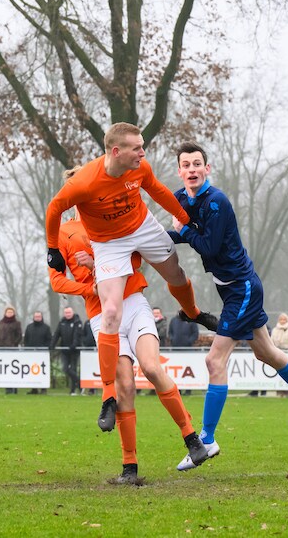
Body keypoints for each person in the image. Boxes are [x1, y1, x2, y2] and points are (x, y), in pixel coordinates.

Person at [168, 142, 288, 470]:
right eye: (186, 165)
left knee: (215, 361)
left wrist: (181, 230)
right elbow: (176, 235)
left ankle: (208, 440)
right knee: (267, 353)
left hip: (242, 289)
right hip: (234, 289)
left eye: (197, 163)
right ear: (179, 171)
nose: (192, 170)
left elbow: (209, 247)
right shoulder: (180, 197)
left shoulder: (217, 202)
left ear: (207, 168)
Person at [44, 124, 214, 431]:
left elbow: (160, 192)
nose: (143, 152)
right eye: (137, 147)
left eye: (142, 146)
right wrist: (53, 250)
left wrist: (189, 222)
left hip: (142, 227)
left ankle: (194, 313)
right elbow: (54, 208)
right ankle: (108, 397)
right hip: (110, 244)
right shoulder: (82, 187)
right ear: (116, 152)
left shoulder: (139, 168)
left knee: (176, 273)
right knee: (110, 312)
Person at [49, 211, 206, 484]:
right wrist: (90, 289)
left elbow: (136, 257)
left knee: (152, 367)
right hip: (101, 316)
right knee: (126, 386)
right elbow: (56, 280)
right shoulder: (63, 232)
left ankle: (192, 438)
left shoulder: (111, 219)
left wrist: (96, 262)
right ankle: (129, 467)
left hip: (132, 303)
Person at [52, 307, 84, 395]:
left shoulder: (77, 322)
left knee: (73, 369)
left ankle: (73, 390)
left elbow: (77, 335)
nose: (67, 314)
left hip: (75, 350)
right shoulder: (62, 322)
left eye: (69, 312)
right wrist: (52, 345)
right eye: (66, 313)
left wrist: (73, 346)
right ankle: (79, 383)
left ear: (72, 312)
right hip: (64, 350)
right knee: (65, 368)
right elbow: (56, 334)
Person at [0, 308, 22, 394]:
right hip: (0, 349)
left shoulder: (17, 323)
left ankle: (13, 388)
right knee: (3, 369)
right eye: (8, 312)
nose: (9, 313)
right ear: (5, 313)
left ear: (14, 313)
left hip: (11, 350)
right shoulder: (0, 322)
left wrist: (14, 344)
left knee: (12, 369)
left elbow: (19, 335)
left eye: (11, 312)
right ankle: (6, 388)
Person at [270, 314, 288, 398]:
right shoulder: (275, 330)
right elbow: (271, 341)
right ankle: (279, 392)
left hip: (287, 354)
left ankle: (287, 392)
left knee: (287, 372)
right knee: (278, 373)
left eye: (284, 319)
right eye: (281, 319)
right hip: (276, 354)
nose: (282, 321)